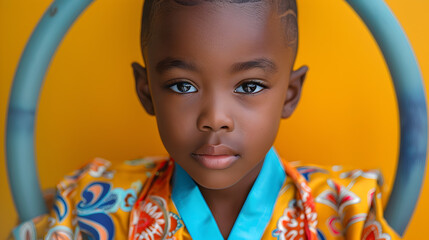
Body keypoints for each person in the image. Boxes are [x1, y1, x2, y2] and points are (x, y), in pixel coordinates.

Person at [10, 0, 400, 239]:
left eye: (248, 86)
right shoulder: (92, 207)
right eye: (182, 86)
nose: (215, 119)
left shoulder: (348, 212)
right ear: (147, 91)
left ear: (290, 93)